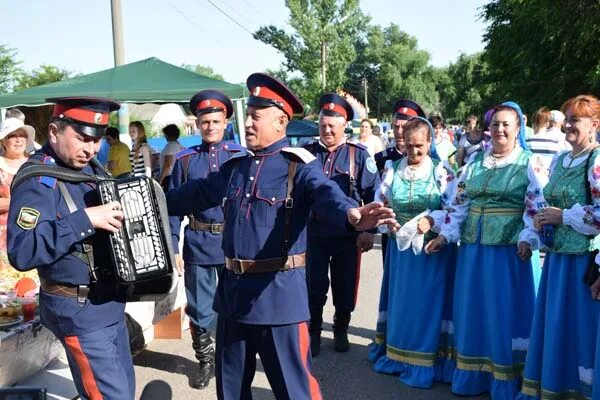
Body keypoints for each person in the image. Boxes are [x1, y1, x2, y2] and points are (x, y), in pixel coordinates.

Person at [166, 73, 396, 400]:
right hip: (232, 300)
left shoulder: (298, 166)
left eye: (256, 117)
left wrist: (352, 214)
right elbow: (187, 195)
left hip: (278, 300)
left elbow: (326, 194)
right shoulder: (234, 169)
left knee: (294, 390)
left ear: (281, 122)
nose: (248, 123)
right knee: (230, 391)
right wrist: (141, 195)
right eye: (248, 116)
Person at [7, 97, 135, 400]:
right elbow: (22, 251)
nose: (90, 148)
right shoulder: (38, 179)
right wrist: (85, 220)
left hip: (109, 304)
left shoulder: (93, 169)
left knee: (123, 392)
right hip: (80, 310)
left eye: (97, 139)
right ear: (53, 131)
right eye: (82, 138)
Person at [426, 101, 540, 399]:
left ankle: (506, 379)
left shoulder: (529, 163)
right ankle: (473, 376)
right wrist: (446, 235)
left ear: (518, 129)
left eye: (506, 124)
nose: (499, 129)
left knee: (503, 312)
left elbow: (535, 207)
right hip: (473, 253)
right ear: (488, 130)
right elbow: (459, 204)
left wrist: (528, 237)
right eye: (495, 125)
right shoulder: (475, 164)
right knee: (473, 309)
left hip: (509, 253)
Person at [517, 95, 600, 400]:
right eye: (566, 118)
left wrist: (563, 216)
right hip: (557, 260)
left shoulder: (596, 160)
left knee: (582, 331)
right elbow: (544, 200)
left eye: (575, 119)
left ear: (595, 125)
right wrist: (539, 222)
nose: (567, 124)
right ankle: (554, 387)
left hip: (584, 261)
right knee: (557, 327)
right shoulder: (561, 159)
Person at [369, 116, 457, 389]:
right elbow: (380, 201)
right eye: (409, 146)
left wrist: (432, 221)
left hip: (432, 252)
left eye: (419, 146)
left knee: (427, 305)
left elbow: (455, 209)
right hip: (402, 252)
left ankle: (428, 359)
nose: (414, 152)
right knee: (404, 304)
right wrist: (387, 219)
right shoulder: (393, 169)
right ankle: (399, 355)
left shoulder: (441, 171)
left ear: (430, 142)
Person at [168, 90, 244, 389]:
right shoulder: (185, 161)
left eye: (216, 120)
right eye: (205, 122)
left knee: (236, 305)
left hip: (233, 242)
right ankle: (205, 360)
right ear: (196, 124)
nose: (210, 127)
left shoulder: (240, 157)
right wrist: (174, 245)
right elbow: (172, 207)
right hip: (198, 241)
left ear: (225, 121)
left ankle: (232, 357)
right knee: (200, 308)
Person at [303, 93, 380, 356]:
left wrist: (369, 230)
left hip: (347, 233)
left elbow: (372, 193)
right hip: (313, 232)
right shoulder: (308, 154)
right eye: (323, 126)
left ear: (344, 125)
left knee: (344, 283)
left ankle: (341, 327)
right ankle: (313, 330)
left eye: (332, 127)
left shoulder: (358, 155)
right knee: (313, 283)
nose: (326, 131)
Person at [0, 118, 35, 271]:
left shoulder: (36, 164)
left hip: (34, 233)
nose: (19, 139)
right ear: (3, 141)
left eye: (22, 135)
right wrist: (18, 203)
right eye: (12, 135)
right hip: (3, 236)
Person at [158, 124, 185, 190]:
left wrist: (160, 180)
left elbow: (168, 164)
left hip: (169, 178)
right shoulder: (180, 146)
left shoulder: (170, 147)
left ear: (167, 134)